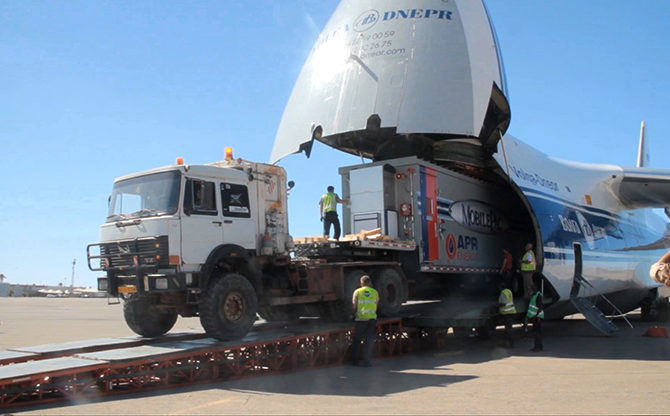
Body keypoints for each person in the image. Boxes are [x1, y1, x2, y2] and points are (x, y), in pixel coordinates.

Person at [351, 274, 379, 366]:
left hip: (360, 319)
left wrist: (352, 315)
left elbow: (354, 305)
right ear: (370, 283)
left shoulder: (357, 292)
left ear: (361, 283)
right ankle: (367, 362)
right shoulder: (375, 292)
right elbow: (376, 304)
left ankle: (355, 361)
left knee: (357, 341)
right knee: (368, 341)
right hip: (371, 319)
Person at [497, 281, 516, 348]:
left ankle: (511, 344)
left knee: (508, 330)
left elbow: (504, 303)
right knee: (508, 329)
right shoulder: (509, 291)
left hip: (507, 313)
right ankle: (507, 343)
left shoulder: (503, 293)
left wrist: (497, 305)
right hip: (511, 312)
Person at [526, 285, 544, 352]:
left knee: (537, 333)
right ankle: (538, 346)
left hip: (537, 318)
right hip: (534, 317)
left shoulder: (538, 296)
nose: (530, 291)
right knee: (536, 333)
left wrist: (537, 316)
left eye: (531, 290)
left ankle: (538, 347)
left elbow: (539, 307)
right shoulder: (534, 295)